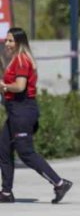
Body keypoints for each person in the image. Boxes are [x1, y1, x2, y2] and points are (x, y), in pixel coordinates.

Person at [0, 28, 73, 204]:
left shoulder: (22, 61)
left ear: (19, 42)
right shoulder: (15, 60)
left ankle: (59, 183)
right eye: (7, 41)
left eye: (11, 41)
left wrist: (3, 85)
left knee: (26, 153)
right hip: (15, 111)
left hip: (23, 111)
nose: (7, 44)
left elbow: (20, 86)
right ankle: (6, 192)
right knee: (3, 148)